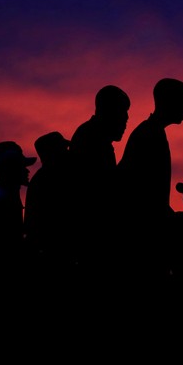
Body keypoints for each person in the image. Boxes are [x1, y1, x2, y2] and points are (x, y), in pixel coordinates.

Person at [116, 77, 183, 283]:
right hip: (144, 239)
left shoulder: (149, 132)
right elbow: (144, 192)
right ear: (169, 102)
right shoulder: (149, 135)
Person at [67, 84, 131, 280]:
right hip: (92, 241)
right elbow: (102, 191)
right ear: (108, 112)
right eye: (122, 113)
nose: (126, 119)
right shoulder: (92, 140)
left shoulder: (94, 137)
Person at [24, 131, 72, 278]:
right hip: (52, 255)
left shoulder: (43, 179)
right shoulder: (48, 180)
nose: (67, 152)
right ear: (53, 152)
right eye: (63, 148)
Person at [0, 140, 36, 276]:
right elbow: (7, 243)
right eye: (21, 166)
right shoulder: (2, 198)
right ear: (11, 169)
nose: (27, 170)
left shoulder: (6, 193)